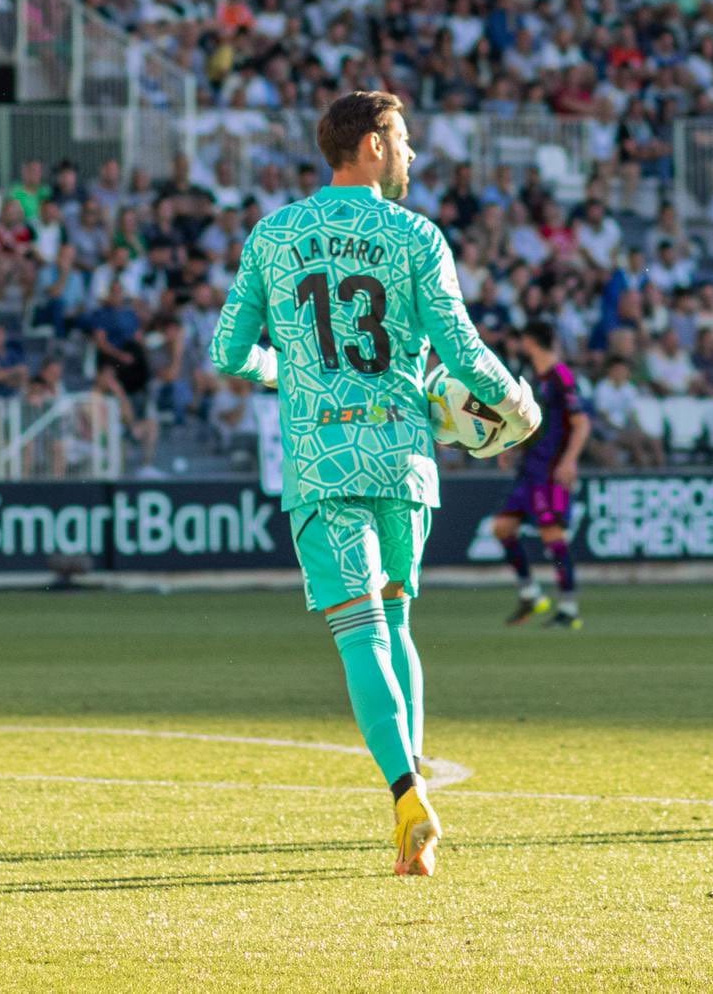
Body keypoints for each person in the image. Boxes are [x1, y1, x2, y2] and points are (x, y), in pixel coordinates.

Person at [209, 91, 539, 878]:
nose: (414, 154)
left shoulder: (275, 233)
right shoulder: (416, 235)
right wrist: (517, 407)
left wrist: (284, 370)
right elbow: (459, 349)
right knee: (398, 624)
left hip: (324, 459)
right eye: (404, 139)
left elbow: (227, 351)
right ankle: (414, 797)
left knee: (358, 634)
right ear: (372, 146)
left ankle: (404, 792)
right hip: (402, 454)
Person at [491, 320, 592, 629]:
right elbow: (534, 424)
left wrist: (569, 461)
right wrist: (511, 447)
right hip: (530, 469)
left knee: (553, 537)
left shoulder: (560, 375)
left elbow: (581, 422)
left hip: (550, 471)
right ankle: (531, 594)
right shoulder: (535, 377)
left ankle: (569, 609)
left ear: (531, 341)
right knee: (502, 528)